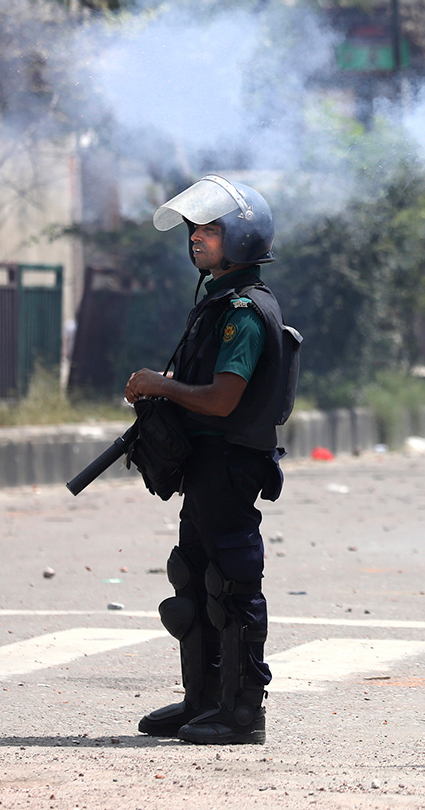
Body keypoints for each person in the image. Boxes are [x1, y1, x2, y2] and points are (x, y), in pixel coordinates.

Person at [126, 175, 299, 744]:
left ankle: (243, 712)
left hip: (228, 463)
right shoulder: (220, 301)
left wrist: (161, 384)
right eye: (195, 229)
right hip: (205, 463)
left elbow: (224, 399)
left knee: (232, 585)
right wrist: (169, 387)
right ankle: (202, 701)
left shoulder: (245, 311)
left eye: (210, 229)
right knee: (195, 581)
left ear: (243, 237)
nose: (197, 238)